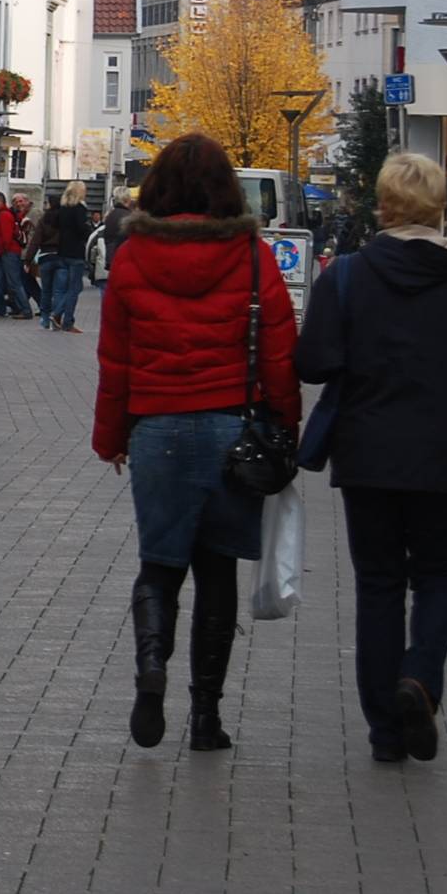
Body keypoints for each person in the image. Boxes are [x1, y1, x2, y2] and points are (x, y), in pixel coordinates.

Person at [297, 153, 447, 764]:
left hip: (367, 453)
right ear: (439, 205)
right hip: (444, 453)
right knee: (441, 577)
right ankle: (419, 678)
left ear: (384, 203)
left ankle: (385, 731)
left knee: (377, 586)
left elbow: (312, 361)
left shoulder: (346, 275)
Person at [91, 134, 300, 753]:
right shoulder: (254, 256)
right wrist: (285, 426)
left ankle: (151, 667)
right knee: (217, 575)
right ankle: (205, 718)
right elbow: (282, 353)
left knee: (159, 568)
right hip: (232, 430)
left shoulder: (131, 257)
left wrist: (111, 438)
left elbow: (115, 361)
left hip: (156, 430)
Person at [39, 181, 93, 332]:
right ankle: (63, 319)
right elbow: (82, 228)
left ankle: (58, 315)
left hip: (62, 251)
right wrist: (88, 232)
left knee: (70, 287)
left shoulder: (63, 208)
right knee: (75, 287)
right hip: (76, 252)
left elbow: (56, 225)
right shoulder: (80, 208)